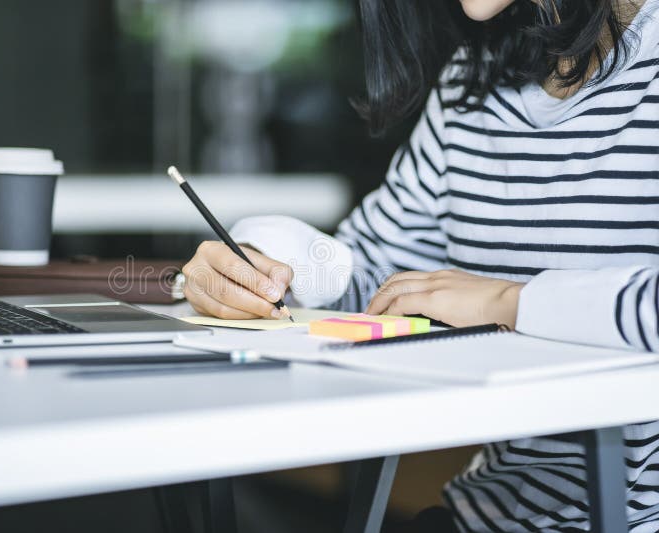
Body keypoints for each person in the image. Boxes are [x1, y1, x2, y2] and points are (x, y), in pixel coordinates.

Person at [181, 0, 659, 530]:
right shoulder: (476, 80)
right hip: (487, 516)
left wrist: (510, 302)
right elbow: (384, 285)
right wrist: (268, 267)